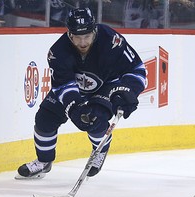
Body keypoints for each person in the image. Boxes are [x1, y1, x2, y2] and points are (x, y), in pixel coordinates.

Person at [16, 7, 146, 179]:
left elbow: (137, 70)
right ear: (69, 34)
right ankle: (43, 161)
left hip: (105, 85)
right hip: (74, 89)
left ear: (94, 31)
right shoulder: (58, 52)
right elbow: (63, 86)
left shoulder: (112, 40)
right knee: (44, 119)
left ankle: (100, 149)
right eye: (77, 37)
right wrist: (75, 108)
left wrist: (128, 91)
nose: (83, 42)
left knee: (96, 118)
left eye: (87, 36)